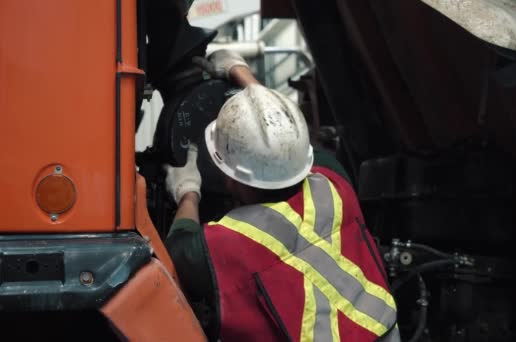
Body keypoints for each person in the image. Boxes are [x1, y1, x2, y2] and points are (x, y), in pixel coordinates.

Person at [164, 49, 400, 341]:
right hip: (385, 332)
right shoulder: (335, 183)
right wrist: (243, 74)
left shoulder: (224, 244)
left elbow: (178, 248)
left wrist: (188, 192)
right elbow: (286, 144)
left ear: (228, 176)